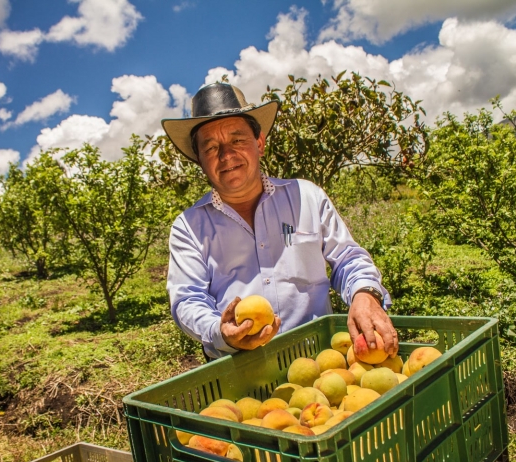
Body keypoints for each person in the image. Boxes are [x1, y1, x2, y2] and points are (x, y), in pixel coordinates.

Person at [162, 82, 398, 359]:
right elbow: (188, 300)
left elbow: (347, 258)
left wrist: (365, 293)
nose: (226, 155)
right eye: (211, 148)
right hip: (238, 367)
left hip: (320, 361)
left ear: (259, 143)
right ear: (200, 160)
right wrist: (219, 330)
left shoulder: (306, 197)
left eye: (237, 140)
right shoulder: (189, 227)